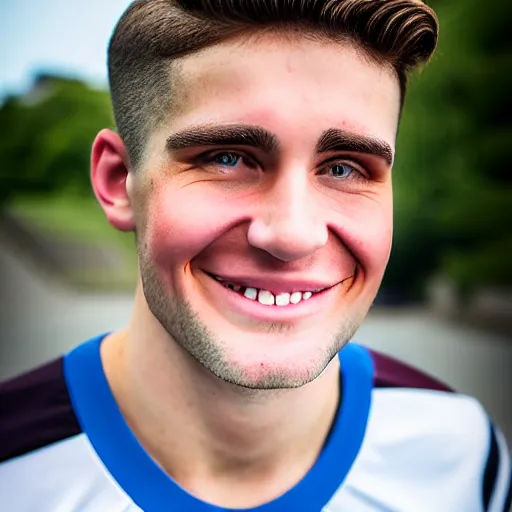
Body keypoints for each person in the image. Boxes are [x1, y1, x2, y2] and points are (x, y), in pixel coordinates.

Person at [0, 0, 510, 510]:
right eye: (227, 158)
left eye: (345, 168)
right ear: (117, 182)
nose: (291, 234)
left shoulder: (463, 456)